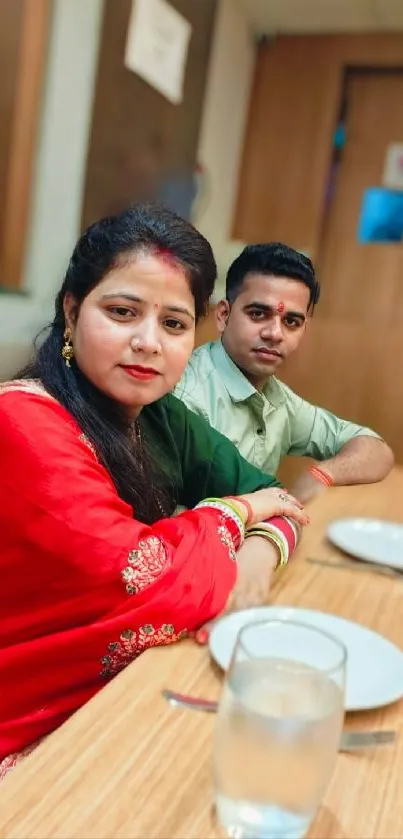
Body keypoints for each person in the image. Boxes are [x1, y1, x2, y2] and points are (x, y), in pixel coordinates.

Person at [0, 205, 308, 776]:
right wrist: (238, 512)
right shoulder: (22, 422)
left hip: (116, 690)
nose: (148, 342)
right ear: (71, 311)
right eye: (122, 312)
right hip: (24, 715)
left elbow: (276, 496)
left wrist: (255, 561)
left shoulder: (159, 414)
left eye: (173, 323)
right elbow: (143, 579)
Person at [174, 242, 394, 503]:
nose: (274, 334)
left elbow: (377, 449)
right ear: (223, 315)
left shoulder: (279, 400)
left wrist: (323, 473)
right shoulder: (184, 397)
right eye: (258, 314)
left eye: (291, 322)